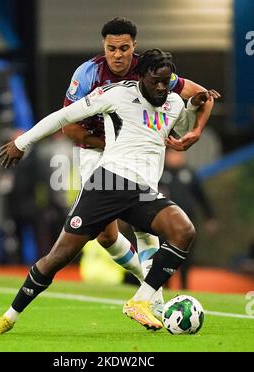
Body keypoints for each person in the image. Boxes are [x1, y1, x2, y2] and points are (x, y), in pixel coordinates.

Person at [0, 48, 219, 335]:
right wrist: (23, 142)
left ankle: (142, 301)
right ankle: (9, 316)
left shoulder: (172, 103)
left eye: (166, 81)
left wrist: (194, 109)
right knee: (58, 257)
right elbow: (63, 117)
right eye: (155, 80)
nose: (160, 87)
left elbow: (184, 125)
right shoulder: (115, 94)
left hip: (142, 192)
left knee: (184, 231)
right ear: (141, 76)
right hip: (107, 185)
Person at [62, 17, 220, 301]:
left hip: (137, 155)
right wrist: (111, 145)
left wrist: (195, 131)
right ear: (104, 46)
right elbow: (69, 127)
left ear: (133, 46)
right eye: (112, 48)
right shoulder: (87, 73)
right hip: (95, 152)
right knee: (106, 237)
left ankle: (150, 298)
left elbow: (202, 95)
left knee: (144, 223)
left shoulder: (150, 70)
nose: (117, 54)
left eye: (124, 48)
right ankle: (144, 280)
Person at [159, 148, 218, 288]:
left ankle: (184, 286)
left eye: (179, 154)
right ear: (167, 156)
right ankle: (164, 285)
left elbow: (201, 197)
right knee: (165, 255)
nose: (177, 157)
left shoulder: (190, 173)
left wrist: (210, 217)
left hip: (188, 224)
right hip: (166, 225)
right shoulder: (160, 174)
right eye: (173, 154)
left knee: (186, 256)